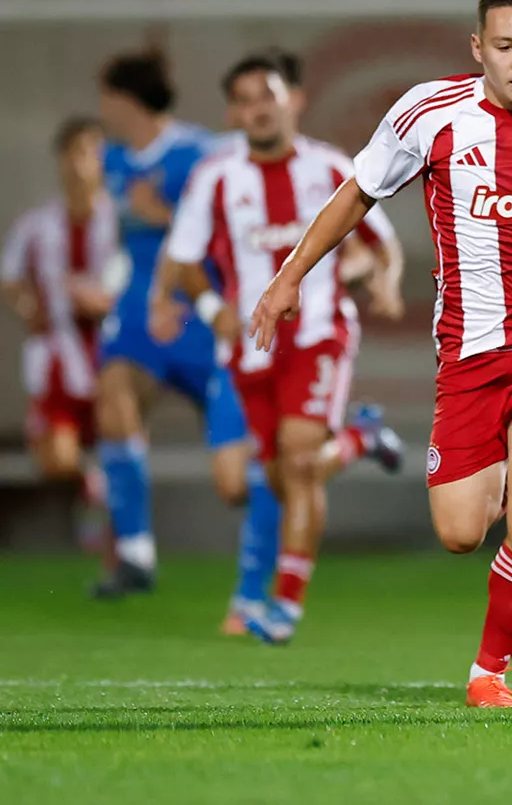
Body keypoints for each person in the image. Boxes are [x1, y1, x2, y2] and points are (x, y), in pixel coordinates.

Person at [248, 0, 512, 705]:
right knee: (461, 530)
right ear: (478, 49)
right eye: (505, 47)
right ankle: (483, 508)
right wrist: (289, 276)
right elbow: (356, 194)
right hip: (468, 358)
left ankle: (488, 672)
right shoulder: (430, 115)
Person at [154, 52, 407, 645]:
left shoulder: (328, 167)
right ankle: (358, 440)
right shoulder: (216, 176)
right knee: (274, 477)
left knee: (296, 463)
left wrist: (386, 279)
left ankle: (284, 606)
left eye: (266, 95)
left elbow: (383, 240)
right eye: (243, 100)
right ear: (231, 112)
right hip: (249, 347)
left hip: (319, 334)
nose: (257, 109)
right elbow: (185, 258)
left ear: (292, 100)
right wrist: (212, 309)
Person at [90, 52, 282, 621]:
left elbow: (232, 217)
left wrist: (162, 216)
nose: (102, 110)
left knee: (236, 481)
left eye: (107, 98)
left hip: (206, 319)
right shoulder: (110, 159)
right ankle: (135, 554)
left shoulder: (201, 153)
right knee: (115, 392)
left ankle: (319, 461)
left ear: (126, 100)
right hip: (145, 319)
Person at [1, 117, 117, 541]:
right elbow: (10, 278)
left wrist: (107, 301)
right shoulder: (38, 224)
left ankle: (123, 540)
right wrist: (26, 304)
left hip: (112, 354)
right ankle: (93, 485)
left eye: (91, 153)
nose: (81, 164)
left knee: (118, 441)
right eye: (74, 153)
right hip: (57, 354)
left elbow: (146, 279)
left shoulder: (121, 220)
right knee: (55, 459)